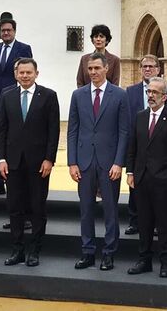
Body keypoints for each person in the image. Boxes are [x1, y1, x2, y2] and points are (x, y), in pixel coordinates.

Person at [67, 52, 130, 271]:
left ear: (106, 69)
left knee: (110, 210)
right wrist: (72, 162)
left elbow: (124, 131)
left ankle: (109, 253)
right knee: (86, 209)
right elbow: (72, 131)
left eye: (97, 68)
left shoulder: (120, 95)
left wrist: (119, 162)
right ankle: (88, 252)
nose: (92, 72)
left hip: (109, 162)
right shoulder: (78, 95)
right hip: (84, 162)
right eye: (90, 69)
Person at [0, 58, 60, 268]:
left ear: (36, 74)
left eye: (28, 72)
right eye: (21, 72)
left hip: (39, 163)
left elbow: (53, 131)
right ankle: (18, 250)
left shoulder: (49, 96)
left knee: (37, 208)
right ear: (16, 74)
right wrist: (1, 158)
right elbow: (1, 130)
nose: (24, 76)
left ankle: (34, 250)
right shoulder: (7, 96)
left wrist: (49, 158)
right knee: (14, 208)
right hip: (12, 162)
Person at [126, 77, 167, 278]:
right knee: (143, 222)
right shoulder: (140, 117)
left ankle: (166, 262)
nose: (150, 95)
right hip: (141, 178)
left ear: (165, 96)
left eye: (155, 92)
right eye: (149, 91)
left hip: (162, 179)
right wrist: (131, 172)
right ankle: (144, 260)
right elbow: (132, 147)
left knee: (162, 222)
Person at [124, 54, 167, 235]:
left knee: (156, 195)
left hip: (158, 148)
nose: (147, 69)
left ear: (158, 69)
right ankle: (134, 221)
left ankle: (154, 224)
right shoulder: (130, 91)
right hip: (137, 143)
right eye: (144, 66)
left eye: (151, 66)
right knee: (135, 187)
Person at [0, 11, 33, 196]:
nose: (6, 33)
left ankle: (11, 179)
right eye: (3, 30)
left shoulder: (23, 48)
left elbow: (28, 72)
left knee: (15, 140)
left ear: (14, 31)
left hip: (15, 100)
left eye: (9, 30)